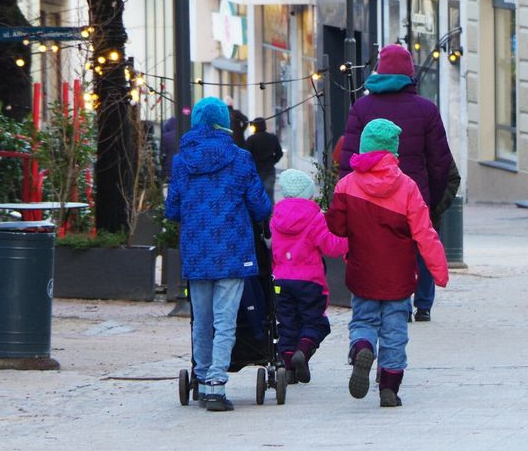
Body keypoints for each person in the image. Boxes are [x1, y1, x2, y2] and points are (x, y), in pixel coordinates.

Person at [327, 119, 449, 407]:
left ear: (365, 146)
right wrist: (439, 271)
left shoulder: (347, 185)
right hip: (399, 276)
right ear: (394, 150)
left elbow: (337, 228)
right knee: (395, 329)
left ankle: (362, 349)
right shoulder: (407, 187)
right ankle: (389, 389)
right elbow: (424, 232)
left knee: (364, 320)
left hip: (362, 271)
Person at [166, 97, 272, 412]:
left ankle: (200, 379)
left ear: (197, 121)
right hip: (233, 249)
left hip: (197, 252)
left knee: (202, 319)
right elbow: (260, 206)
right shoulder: (240, 158)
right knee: (226, 319)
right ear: (224, 121)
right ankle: (216, 384)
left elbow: (172, 208)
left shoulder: (182, 160)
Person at [339, 43, 457, 322]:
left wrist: (347, 196)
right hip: (413, 191)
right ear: (410, 73)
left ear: (379, 70)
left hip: (367, 195)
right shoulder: (426, 109)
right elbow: (440, 161)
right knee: (421, 239)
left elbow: (349, 157)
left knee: (382, 245)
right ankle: (424, 304)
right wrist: (433, 199)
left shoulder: (361, 107)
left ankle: (394, 302)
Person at [270, 169, 348, 384]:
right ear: (308, 194)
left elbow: (272, 250)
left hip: (281, 281)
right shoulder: (315, 217)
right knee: (316, 323)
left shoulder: (276, 218)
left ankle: (288, 370)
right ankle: (303, 352)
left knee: (287, 324)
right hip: (309, 282)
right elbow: (330, 246)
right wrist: (349, 241)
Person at [245, 117, 284, 202]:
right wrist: (273, 161)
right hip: (269, 169)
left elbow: (246, 156)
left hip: (256, 171)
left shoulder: (251, 139)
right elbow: (279, 153)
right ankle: (271, 213)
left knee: (257, 196)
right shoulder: (272, 138)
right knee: (269, 194)